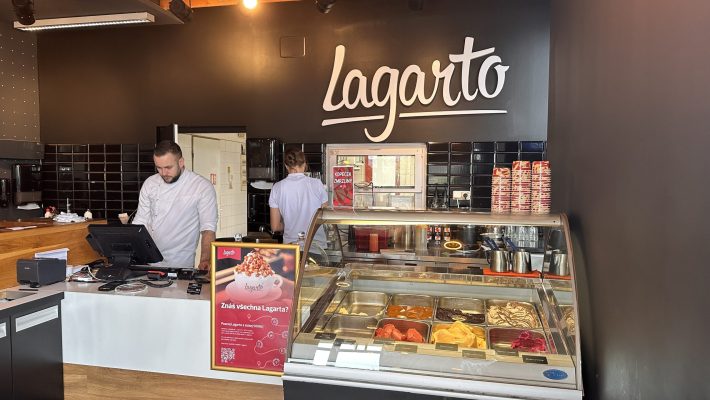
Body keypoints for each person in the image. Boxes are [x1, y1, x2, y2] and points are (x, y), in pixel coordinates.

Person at [133, 140, 217, 271]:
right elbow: (140, 223)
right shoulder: (150, 183)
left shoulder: (201, 187)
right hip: (147, 263)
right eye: (159, 168)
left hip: (180, 265)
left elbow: (208, 229)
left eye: (168, 167)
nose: (163, 173)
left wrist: (205, 260)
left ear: (181, 162)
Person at [269, 149, 328, 248]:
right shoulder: (317, 184)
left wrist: (289, 223)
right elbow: (324, 217)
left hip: (291, 248)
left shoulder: (277, 188)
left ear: (286, 166)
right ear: (304, 164)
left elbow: (275, 227)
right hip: (316, 246)